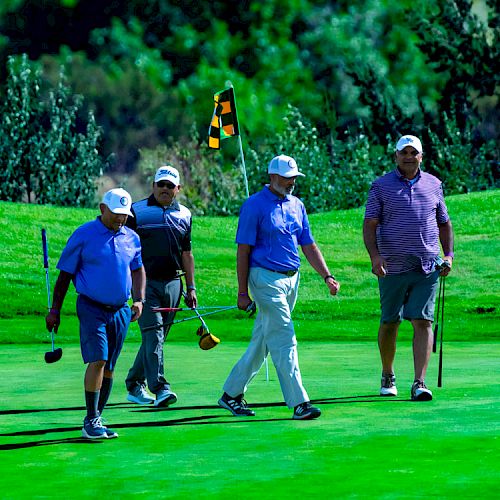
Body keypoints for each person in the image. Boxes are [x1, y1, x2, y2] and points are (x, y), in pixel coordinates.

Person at [218, 154, 340, 420]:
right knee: (284, 336)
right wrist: (242, 292)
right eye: (287, 178)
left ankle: (231, 394)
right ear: (272, 177)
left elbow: (308, 244)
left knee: (264, 340)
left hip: (292, 279)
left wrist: (326, 276)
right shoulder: (254, 206)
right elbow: (243, 250)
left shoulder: (298, 205)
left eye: (294, 177)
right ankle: (299, 403)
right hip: (264, 278)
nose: (292, 182)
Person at [45, 188, 146, 439]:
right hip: (92, 307)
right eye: (115, 214)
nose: (120, 219)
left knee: (109, 366)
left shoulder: (131, 238)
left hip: (121, 309)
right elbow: (65, 275)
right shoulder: (84, 235)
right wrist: (54, 310)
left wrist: (140, 299)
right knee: (98, 360)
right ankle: (91, 419)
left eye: (124, 215)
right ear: (102, 209)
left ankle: (97, 418)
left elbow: (138, 270)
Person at [363, 134, 454, 401]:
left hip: (427, 266)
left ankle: (419, 382)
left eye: (413, 152)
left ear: (421, 157)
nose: (408, 157)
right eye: (404, 152)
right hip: (391, 267)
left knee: (423, 320)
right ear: (396, 156)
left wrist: (448, 255)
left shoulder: (434, 184)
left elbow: (444, 223)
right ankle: (388, 374)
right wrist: (375, 257)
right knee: (390, 320)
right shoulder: (380, 186)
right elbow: (370, 224)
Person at [124, 165, 197, 408]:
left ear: (178, 189)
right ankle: (161, 388)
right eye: (161, 184)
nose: (165, 189)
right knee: (153, 334)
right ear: (153, 186)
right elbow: (125, 250)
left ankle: (134, 383)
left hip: (174, 284)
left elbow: (187, 253)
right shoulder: (137, 211)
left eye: (170, 185)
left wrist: (192, 287)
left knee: (155, 339)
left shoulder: (185, 215)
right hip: (145, 284)